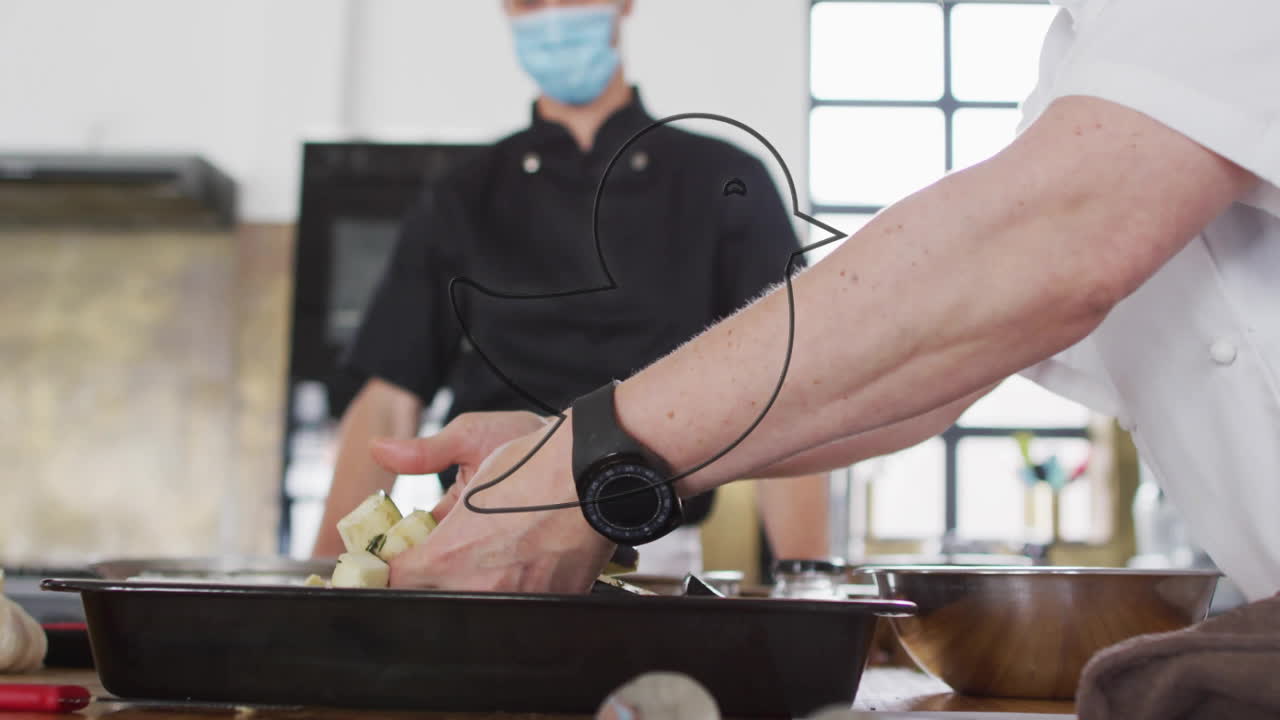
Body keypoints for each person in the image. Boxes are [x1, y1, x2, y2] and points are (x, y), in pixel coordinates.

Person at [372, 0, 1280, 601]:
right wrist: (577, 463)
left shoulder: (720, 177)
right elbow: (922, 366)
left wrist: (580, 465)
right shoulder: (1077, 60)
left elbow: (1039, 247)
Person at [310, 0, 831, 573]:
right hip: (481, 541)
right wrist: (326, 584)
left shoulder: (727, 180)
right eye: (532, 0)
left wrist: (808, 577)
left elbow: (786, 383)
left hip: (654, 548)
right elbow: (388, 400)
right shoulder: (461, 197)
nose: (555, 13)